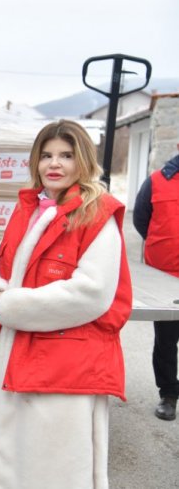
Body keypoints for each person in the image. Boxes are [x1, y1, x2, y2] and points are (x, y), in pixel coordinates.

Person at [0, 120, 132, 488]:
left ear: (83, 161)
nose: (54, 164)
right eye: (46, 155)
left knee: (51, 468)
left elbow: (91, 293)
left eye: (66, 155)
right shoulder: (28, 209)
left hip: (63, 364)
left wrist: (10, 306)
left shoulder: (97, 214)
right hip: (13, 354)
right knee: (11, 462)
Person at [133, 142, 179, 421]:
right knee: (167, 341)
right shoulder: (156, 182)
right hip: (166, 279)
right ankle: (169, 394)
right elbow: (141, 221)